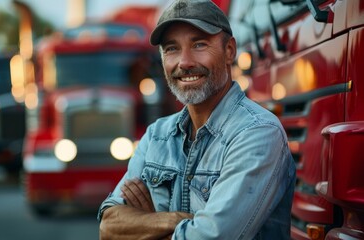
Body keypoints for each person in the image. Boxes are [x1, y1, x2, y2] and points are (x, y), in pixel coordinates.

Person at [98, 0, 296, 239]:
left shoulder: (258, 133)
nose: (185, 62)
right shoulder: (156, 136)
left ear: (229, 51)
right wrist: (172, 220)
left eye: (199, 44)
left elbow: (213, 237)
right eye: (171, 48)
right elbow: (108, 227)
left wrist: (143, 225)